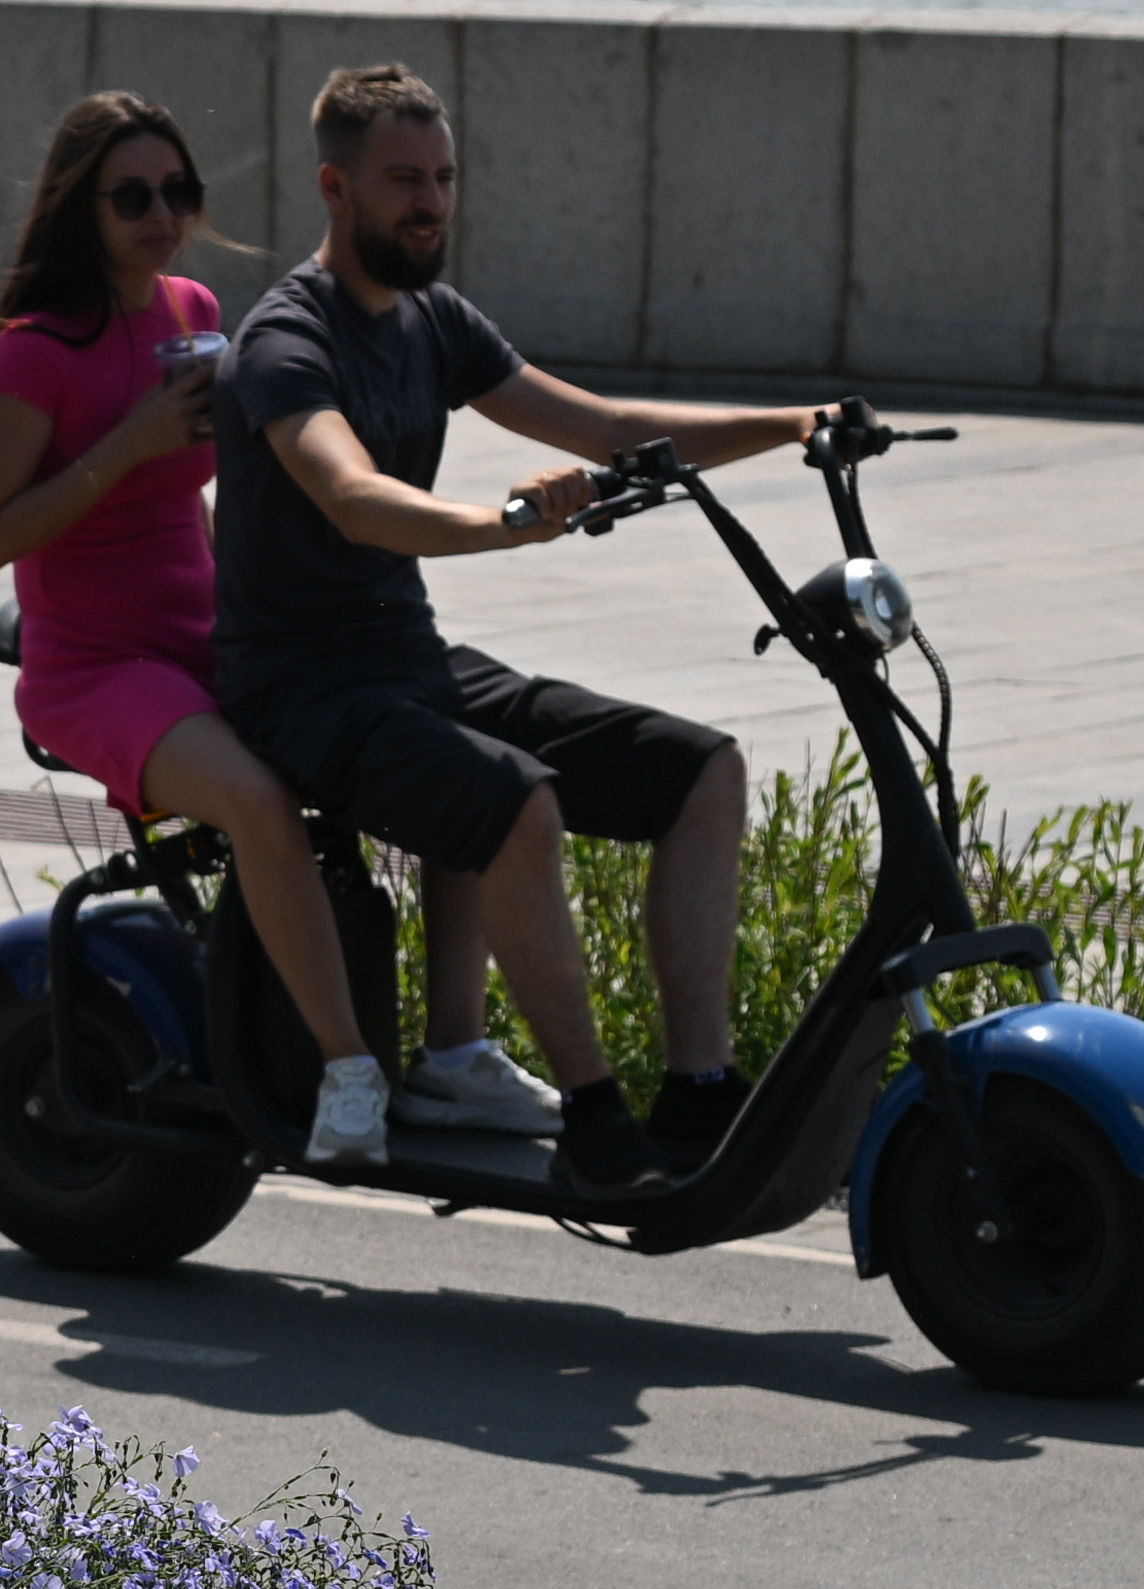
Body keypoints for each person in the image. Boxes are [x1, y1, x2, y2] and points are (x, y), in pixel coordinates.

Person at [202, 61, 848, 1189]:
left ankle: (695, 1090)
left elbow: (607, 425)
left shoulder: (431, 320)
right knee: (517, 801)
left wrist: (795, 422)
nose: (432, 203)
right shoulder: (285, 341)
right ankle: (594, 1119)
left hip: (407, 662)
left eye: (444, 178)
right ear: (335, 188)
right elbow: (351, 497)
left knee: (701, 772)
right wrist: (503, 522)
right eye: (404, 179)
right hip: (299, 690)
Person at [0, 90, 396, 1173]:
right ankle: (347, 1074)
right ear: (81, 207)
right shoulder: (32, 350)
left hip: (203, 628)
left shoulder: (191, 307)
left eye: (178, 191)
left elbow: (188, 498)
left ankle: (441, 1047)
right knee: (256, 799)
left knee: (401, 728)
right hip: (94, 663)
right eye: (133, 198)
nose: (163, 216)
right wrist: (132, 436)